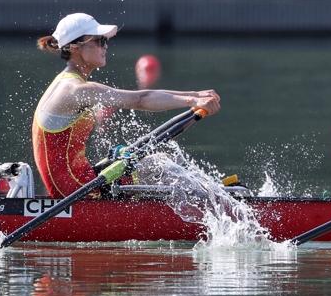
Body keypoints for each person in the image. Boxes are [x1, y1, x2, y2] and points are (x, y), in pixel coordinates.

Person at [33, 13, 221, 198]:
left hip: (81, 181)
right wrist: (193, 101)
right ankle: (221, 210)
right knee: (161, 168)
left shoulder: (67, 82)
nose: (105, 47)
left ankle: (214, 199)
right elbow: (141, 99)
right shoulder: (76, 89)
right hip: (77, 191)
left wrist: (196, 95)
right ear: (75, 47)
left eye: (105, 41)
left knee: (166, 160)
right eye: (99, 41)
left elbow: (142, 95)